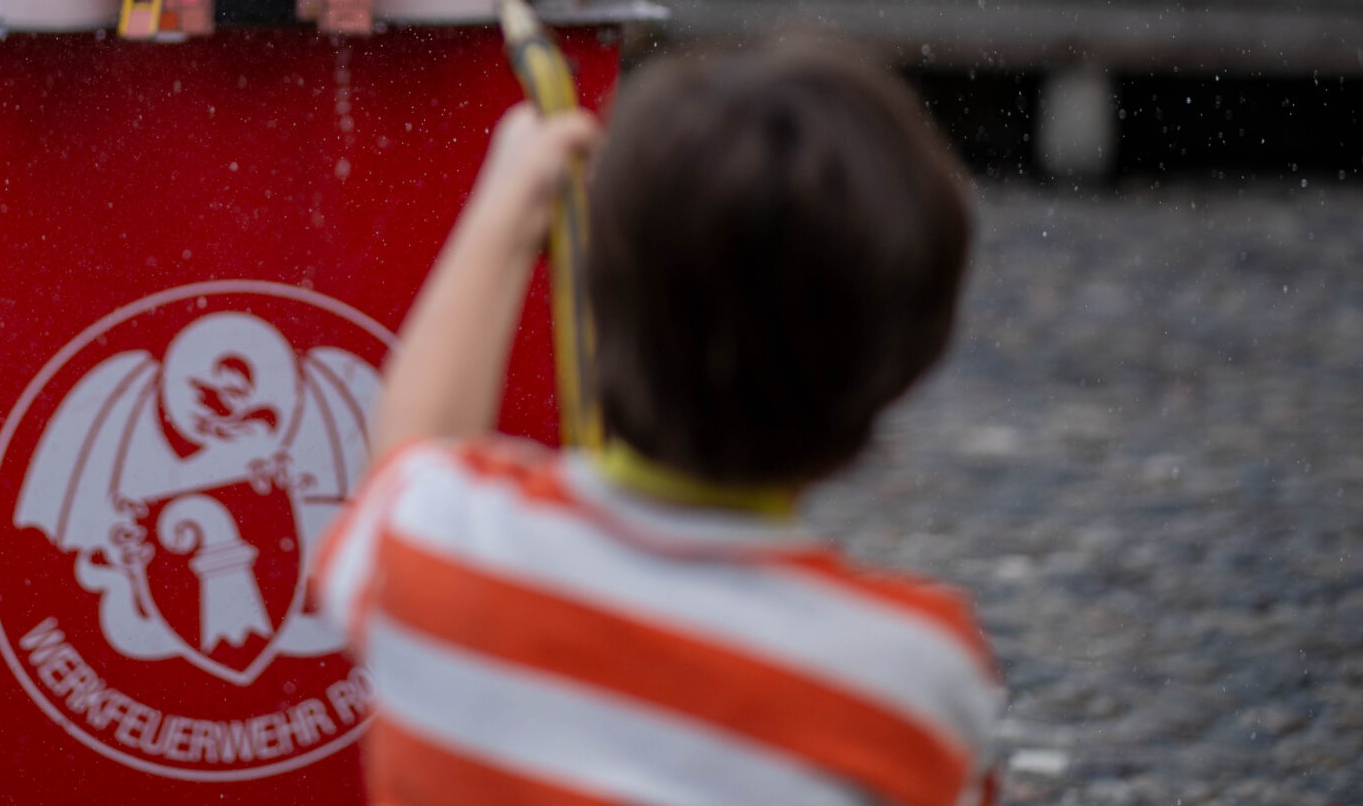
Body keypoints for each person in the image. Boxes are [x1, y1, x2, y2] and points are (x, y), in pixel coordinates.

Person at [315, 40, 1003, 806]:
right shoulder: (910, 675)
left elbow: (409, 455)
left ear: (597, 299)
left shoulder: (442, 548)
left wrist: (507, 208)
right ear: (906, 362)